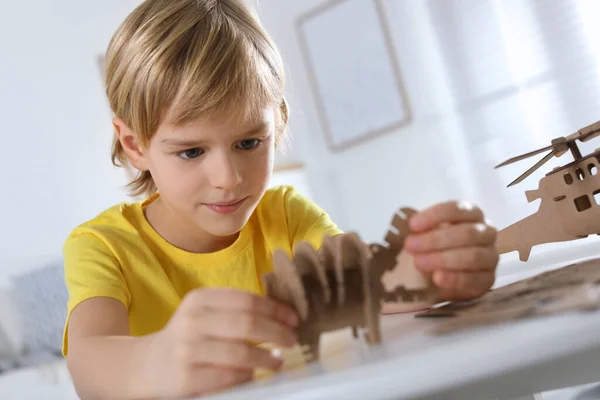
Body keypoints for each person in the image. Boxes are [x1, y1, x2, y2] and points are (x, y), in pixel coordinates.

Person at [62, 0, 500, 398]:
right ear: (135, 145)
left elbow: (365, 282)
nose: (228, 178)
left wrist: (430, 270)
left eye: (249, 142)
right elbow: (89, 361)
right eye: (192, 151)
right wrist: (150, 364)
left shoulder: (287, 215)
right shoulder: (103, 247)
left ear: (279, 120)